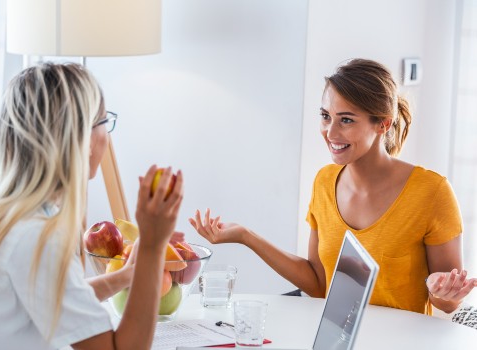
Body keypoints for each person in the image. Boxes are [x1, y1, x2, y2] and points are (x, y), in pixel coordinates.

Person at [189, 58, 477, 315]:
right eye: (326, 116)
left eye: (346, 120)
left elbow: (449, 302)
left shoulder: (432, 192)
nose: (330, 132)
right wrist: (245, 236)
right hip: (338, 337)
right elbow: (318, 284)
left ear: (383, 125)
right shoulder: (325, 181)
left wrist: (442, 293)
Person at [0, 62, 184, 349]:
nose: (106, 138)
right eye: (104, 122)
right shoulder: (39, 238)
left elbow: (56, 295)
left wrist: (125, 278)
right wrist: (152, 244)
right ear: (80, 137)